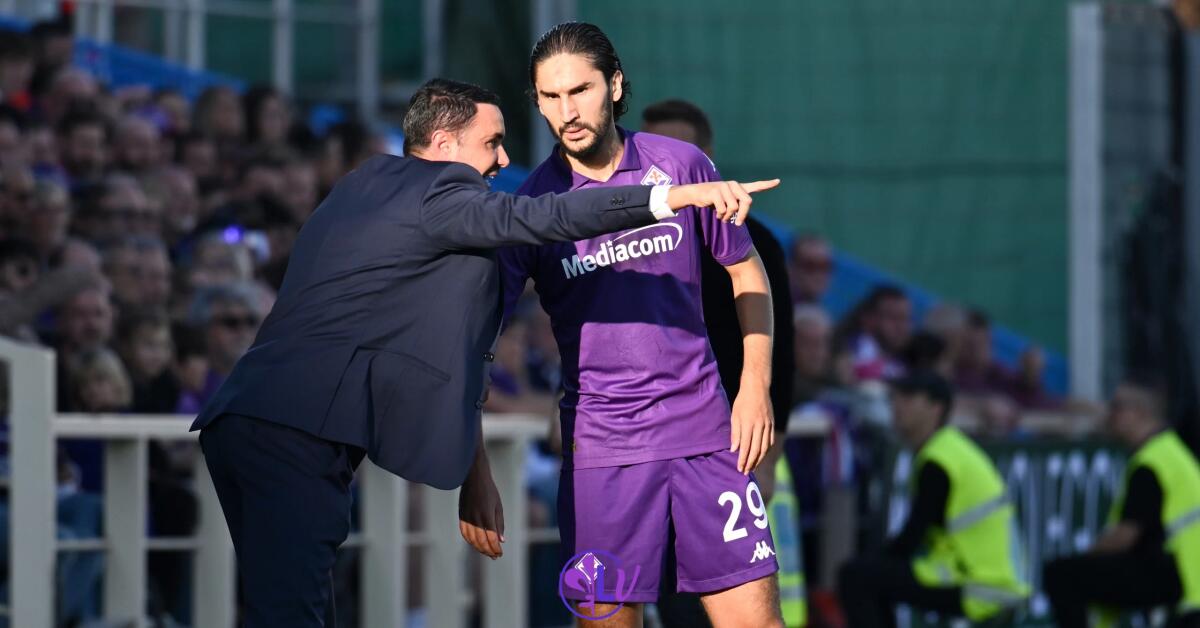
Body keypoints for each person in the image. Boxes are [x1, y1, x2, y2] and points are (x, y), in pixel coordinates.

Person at [190, 77, 777, 627]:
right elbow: (547, 214)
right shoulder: (440, 193)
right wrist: (672, 197)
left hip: (242, 419)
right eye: (492, 143)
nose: (503, 160)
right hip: (297, 433)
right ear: (444, 146)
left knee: (286, 607)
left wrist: (472, 472)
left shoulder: (364, 184)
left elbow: (456, 346)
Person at [495, 24, 784, 627]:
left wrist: (755, 388)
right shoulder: (534, 206)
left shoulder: (681, 164)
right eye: (551, 97)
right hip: (603, 456)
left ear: (615, 85)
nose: (568, 112)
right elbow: (477, 327)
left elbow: (746, 272)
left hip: (707, 439)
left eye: (581, 90)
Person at [641, 98, 804, 627]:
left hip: (731, 447)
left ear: (705, 158)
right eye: (651, 150)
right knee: (670, 598)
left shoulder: (752, 240)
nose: (663, 163)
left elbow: (783, 348)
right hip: (647, 446)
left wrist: (769, 454)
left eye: (677, 149)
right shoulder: (627, 237)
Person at [837, 370, 1028, 627]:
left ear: (936, 408)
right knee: (873, 574)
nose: (897, 405)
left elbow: (913, 535)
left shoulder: (940, 461)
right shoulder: (950, 449)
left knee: (857, 576)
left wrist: (876, 559)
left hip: (980, 585)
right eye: (895, 397)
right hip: (990, 579)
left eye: (909, 397)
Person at [1043, 379, 1200, 628]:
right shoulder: (1171, 451)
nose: (1109, 415)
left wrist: (1089, 554)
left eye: (1116, 406)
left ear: (1140, 412)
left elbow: (1125, 536)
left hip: (1175, 573)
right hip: (1187, 570)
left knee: (1061, 574)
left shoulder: (1151, 463)